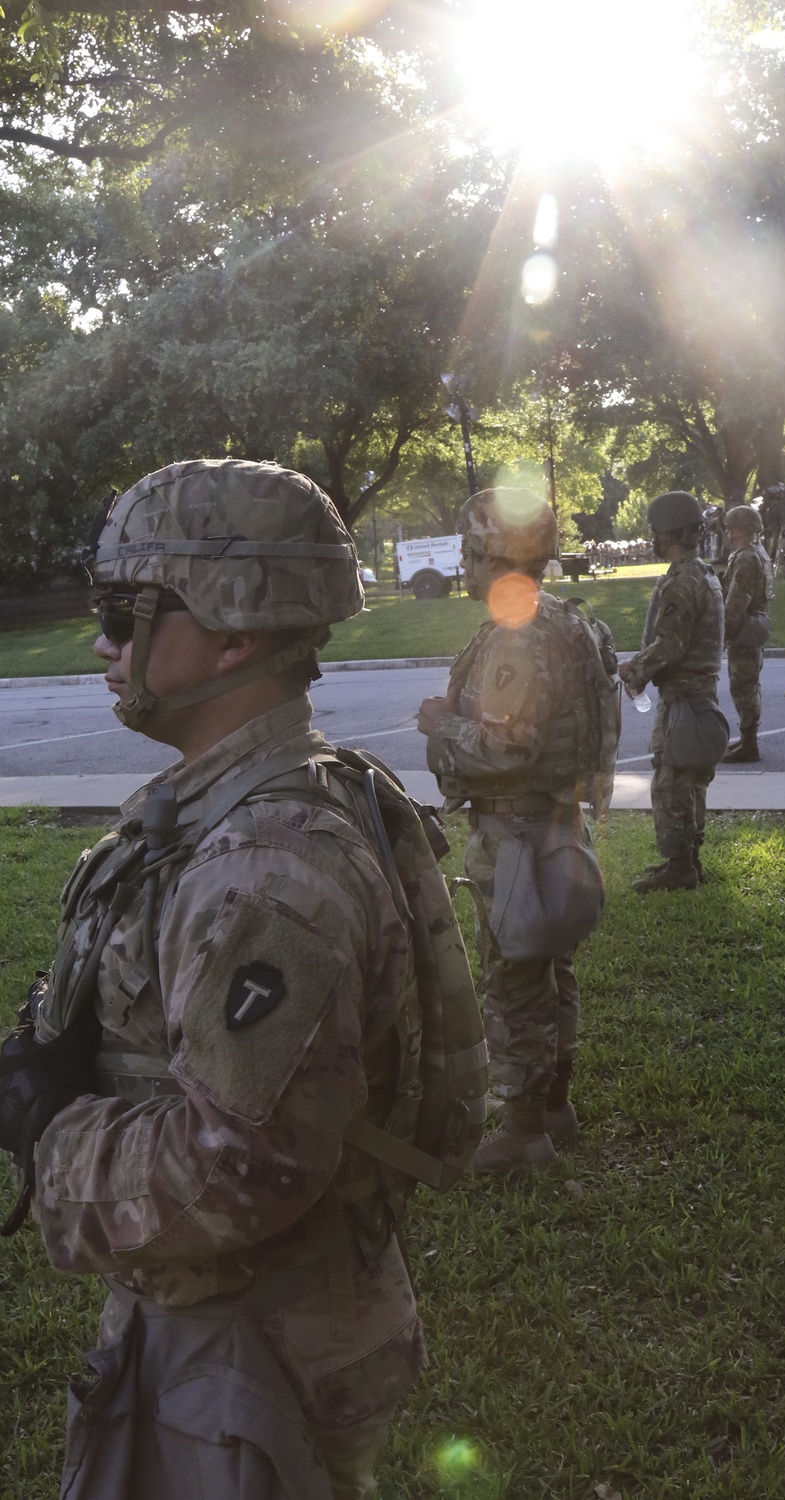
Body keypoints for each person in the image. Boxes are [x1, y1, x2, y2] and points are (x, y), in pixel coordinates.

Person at [0, 460, 443, 1499]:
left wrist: (46, 1129)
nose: (103, 642)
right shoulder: (241, 806)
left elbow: (238, 1167)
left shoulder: (267, 864)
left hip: (252, 1354)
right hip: (237, 1322)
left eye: (126, 611)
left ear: (236, 633)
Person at [418, 488, 618, 1174]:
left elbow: (511, 746)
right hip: (556, 822)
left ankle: (523, 1131)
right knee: (552, 968)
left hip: (517, 835)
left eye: (470, 554)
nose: (464, 568)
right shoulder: (566, 621)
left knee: (515, 980)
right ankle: (554, 1103)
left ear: (497, 557)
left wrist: (440, 725)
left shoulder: (517, 636)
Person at [618, 491, 725, 893]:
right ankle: (688, 859)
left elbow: (671, 646)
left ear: (667, 532)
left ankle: (680, 867)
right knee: (691, 781)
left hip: (684, 697)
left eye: (654, 531)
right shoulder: (704, 574)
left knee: (671, 783)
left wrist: (635, 670)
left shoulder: (682, 582)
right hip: (697, 694)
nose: (652, 537)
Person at [720, 505, 773, 764]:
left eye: (731, 525)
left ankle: (749, 745)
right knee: (749, 685)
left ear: (740, 527)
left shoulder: (746, 558)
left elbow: (736, 602)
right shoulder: (756, 553)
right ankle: (747, 738)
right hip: (753, 626)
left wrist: (722, 635)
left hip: (744, 629)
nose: (728, 530)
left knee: (742, 686)